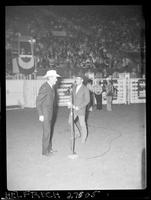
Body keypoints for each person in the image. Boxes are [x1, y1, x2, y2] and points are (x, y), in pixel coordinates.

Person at [36, 70, 61, 156]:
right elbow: (38, 102)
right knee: (46, 132)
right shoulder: (45, 87)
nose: (56, 80)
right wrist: (40, 114)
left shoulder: (51, 87)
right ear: (50, 78)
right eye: (55, 78)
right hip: (45, 113)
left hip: (50, 113)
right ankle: (45, 152)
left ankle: (49, 148)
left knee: (49, 131)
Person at [68, 75, 90, 144]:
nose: (76, 80)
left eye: (78, 79)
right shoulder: (74, 87)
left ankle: (84, 138)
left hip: (81, 110)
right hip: (73, 108)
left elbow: (87, 100)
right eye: (76, 79)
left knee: (82, 124)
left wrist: (79, 107)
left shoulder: (85, 89)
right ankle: (77, 133)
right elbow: (72, 96)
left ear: (82, 80)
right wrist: (70, 102)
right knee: (70, 121)